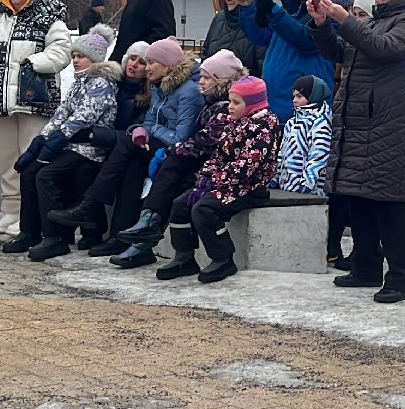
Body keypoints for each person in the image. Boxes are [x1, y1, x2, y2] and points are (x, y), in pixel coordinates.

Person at [313, 0, 405, 304]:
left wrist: (345, 20)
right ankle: (365, 266)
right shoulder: (378, 19)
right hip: (360, 119)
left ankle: (399, 278)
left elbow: (384, 49)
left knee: (390, 202)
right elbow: (342, 53)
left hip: (387, 121)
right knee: (357, 196)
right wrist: (322, 25)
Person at [55, 36, 202, 253]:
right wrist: (140, 130)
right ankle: (119, 237)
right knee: (131, 166)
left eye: (151, 62)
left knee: (124, 143)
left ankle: (90, 204)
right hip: (157, 145)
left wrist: (149, 130)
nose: (147, 68)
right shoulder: (159, 86)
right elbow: (149, 121)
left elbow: (180, 137)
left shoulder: (188, 92)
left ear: (167, 65)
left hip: (176, 153)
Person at [105, 48, 248, 268]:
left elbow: (203, 141)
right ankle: (148, 231)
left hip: (220, 170)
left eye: (207, 78)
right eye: (200, 76)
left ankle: (148, 229)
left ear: (221, 80)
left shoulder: (223, 107)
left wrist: (172, 150)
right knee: (161, 173)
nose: (200, 82)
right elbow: (152, 124)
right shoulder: (211, 101)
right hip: (207, 164)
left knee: (172, 170)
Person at [0, 0, 73, 238]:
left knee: (31, 157)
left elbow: (62, 50)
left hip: (35, 99)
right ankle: (11, 211)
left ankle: (30, 215)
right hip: (1, 99)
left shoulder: (49, 15)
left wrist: (32, 63)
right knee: (7, 159)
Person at [156, 75, 283, 285]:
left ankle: (223, 258)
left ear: (252, 104)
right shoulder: (235, 123)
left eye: (236, 102)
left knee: (204, 209)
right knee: (181, 204)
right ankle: (184, 257)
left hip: (249, 188)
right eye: (230, 101)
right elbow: (218, 156)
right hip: (224, 183)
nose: (230, 107)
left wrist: (214, 181)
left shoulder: (264, 129)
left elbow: (247, 168)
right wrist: (204, 178)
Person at [19, 28, 125, 261]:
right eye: (74, 56)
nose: (75, 60)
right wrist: (44, 137)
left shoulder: (101, 83)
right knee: (29, 171)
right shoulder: (80, 82)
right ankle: (29, 230)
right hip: (72, 145)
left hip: (89, 148)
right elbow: (63, 111)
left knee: (46, 175)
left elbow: (84, 116)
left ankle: (55, 237)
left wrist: (58, 139)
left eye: (80, 56)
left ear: (95, 58)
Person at [242, 0, 336, 121]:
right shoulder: (290, 14)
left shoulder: (327, 15)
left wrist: (273, 11)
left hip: (304, 111)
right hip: (276, 107)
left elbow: (306, 41)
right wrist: (248, 8)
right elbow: (260, 37)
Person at [275, 74, 333, 197]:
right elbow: (282, 152)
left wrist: (308, 182)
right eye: (294, 96)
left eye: (299, 96)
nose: (294, 100)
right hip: (287, 186)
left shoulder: (320, 122)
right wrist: (276, 176)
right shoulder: (291, 122)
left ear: (313, 96)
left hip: (309, 190)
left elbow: (319, 153)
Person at [203, 0, 264, 77]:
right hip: (213, 87)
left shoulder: (259, 22)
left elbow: (262, 64)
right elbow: (206, 52)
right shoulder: (219, 19)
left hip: (243, 89)